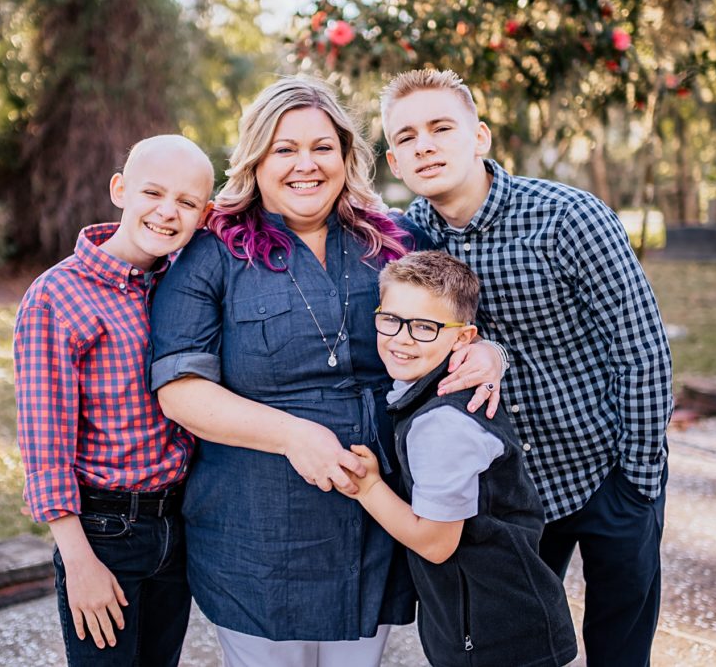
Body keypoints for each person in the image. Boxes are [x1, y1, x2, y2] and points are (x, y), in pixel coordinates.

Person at [147, 76, 504, 667]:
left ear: (346, 155)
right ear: (257, 161)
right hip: (257, 531)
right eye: (284, 149)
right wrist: (295, 436)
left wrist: (490, 353)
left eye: (322, 147)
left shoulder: (395, 241)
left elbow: (453, 327)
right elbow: (182, 391)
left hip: (374, 520)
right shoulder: (213, 252)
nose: (304, 165)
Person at [381, 68, 673, 667]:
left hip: (603, 468)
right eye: (407, 137)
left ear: (480, 137)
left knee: (621, 645)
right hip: (509, 490)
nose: (425, 145)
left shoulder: (567, 218)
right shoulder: (407, 238)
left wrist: (640, 479)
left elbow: (641, 348)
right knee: (517, 647)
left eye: (441, 128)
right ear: (394, 157)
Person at [14, 135, 214, 666]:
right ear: (119, 189)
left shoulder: (183, 285)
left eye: (188, 202)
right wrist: (77, 559)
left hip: (178, 523)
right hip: (105, 532)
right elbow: (44, 444)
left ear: (205, 214)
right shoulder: (58, 296)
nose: (168, 212)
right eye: (153, 192)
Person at [338, 250, 578, 667]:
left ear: (464, 338)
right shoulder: (433, 392)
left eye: (426, 327)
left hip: (496, 634)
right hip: (484, 616)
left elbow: (434, 543)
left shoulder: (443, 425)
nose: (402, 338)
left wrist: (369, 487)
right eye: (391, 319)